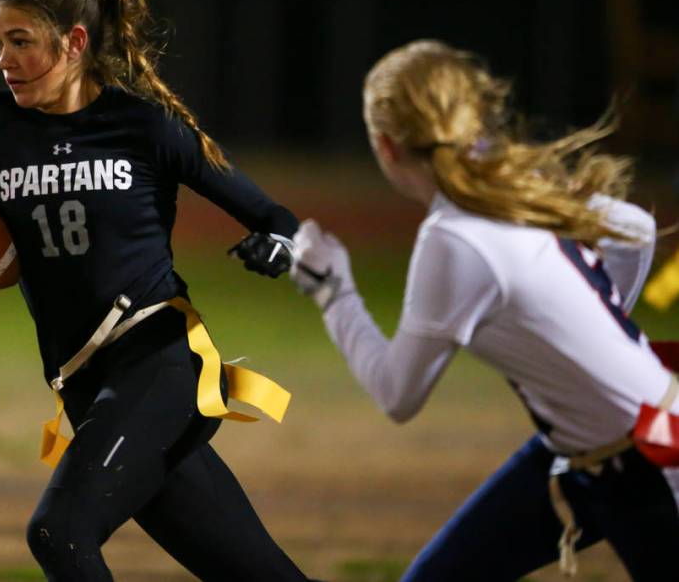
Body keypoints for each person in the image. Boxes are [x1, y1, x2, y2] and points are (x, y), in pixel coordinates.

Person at [0, 0, 316, 582]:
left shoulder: (144, 125)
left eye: (21, 41)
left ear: (75, 42)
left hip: (160, 362)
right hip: (81, 381)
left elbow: (275, 218)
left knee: (59, 534)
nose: (3, 59)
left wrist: (277, 246)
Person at [290, 39, 679, 581]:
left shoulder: (452, 238)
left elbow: (398, 395)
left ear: (386, 145)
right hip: (592, 447)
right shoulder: (516, 183)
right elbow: (633, 229)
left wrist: (333, 290)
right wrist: (601, 329)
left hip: (651, 455)